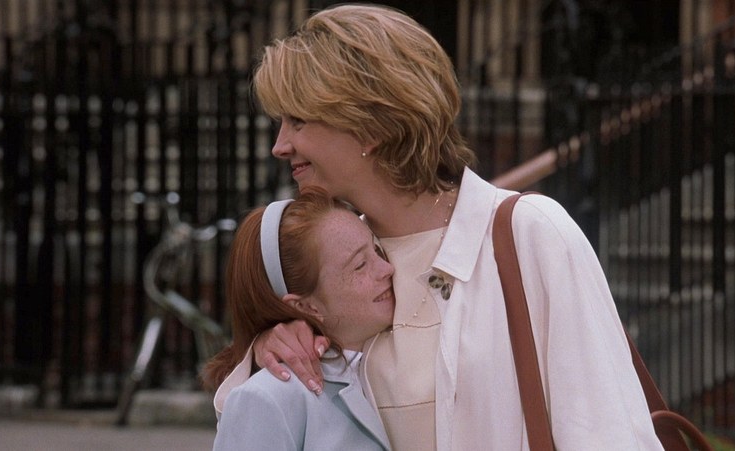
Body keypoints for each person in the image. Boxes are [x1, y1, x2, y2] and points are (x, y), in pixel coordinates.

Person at [250, 4, 664, 450]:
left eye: (298, 121)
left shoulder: (531, 234)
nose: (280, 146)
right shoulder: (331, 266)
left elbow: (608, 433)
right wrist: (270, 351)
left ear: (369, 125)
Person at [201, 187, 394, 450]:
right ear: (305, 306)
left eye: (377, 250)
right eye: (360, 265)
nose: (387, 268)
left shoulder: (392, 352)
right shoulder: (269, 398)